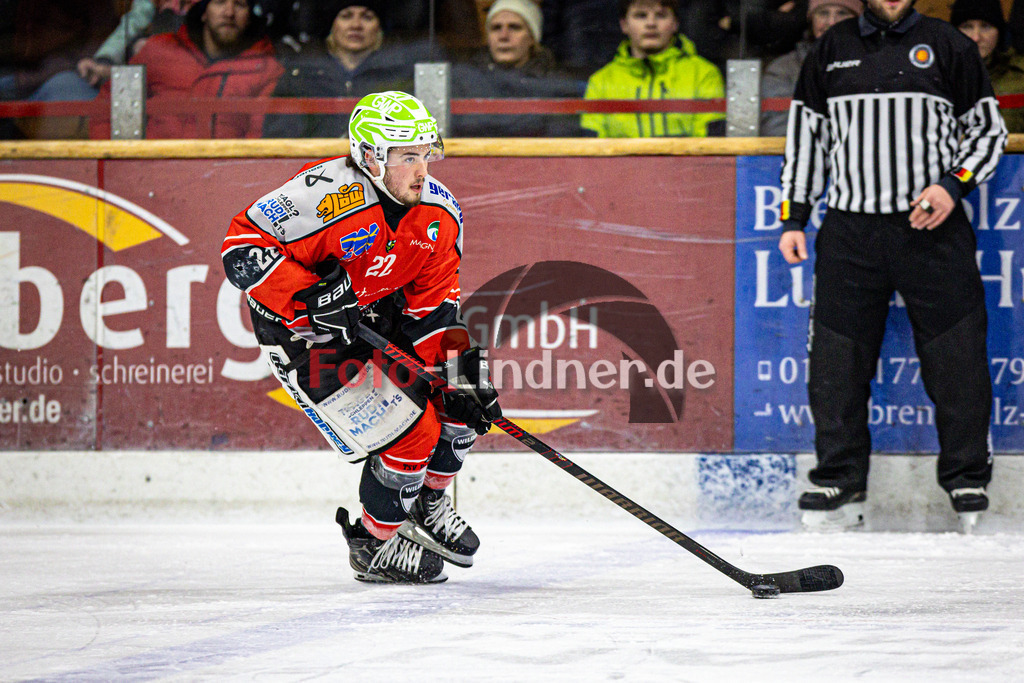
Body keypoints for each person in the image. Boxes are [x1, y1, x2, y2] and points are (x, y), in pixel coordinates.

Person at [222, 91, 501, 583]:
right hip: (303, 336)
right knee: (414, 432)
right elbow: (240, 249)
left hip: (375, 313)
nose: (422, 170)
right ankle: (373, 544)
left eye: (425, 155)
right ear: (371, 155)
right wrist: (308, 296)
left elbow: (434, 308)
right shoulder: (322, 195)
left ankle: (424, 506)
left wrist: (461, 370)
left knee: (458, 403)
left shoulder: (439, 214)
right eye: (408, 157)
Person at [778, 0, 1007, 533]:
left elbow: (988, 132)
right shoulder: (832, 48)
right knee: (835, 365)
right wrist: (794, 217)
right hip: (850, 230)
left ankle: (966, 477)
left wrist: (953, 185)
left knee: (957, 360)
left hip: (932, 229)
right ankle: (840, 477)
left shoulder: (949, 44)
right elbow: (806, 138)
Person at [89, 0, 284, 139]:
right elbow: (109, 108)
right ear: (204, 12)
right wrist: (119, 166)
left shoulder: (266, 68)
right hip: (150, 178)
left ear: (250, 17)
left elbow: (259, 140)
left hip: (223, 180)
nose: (229, 12)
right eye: (219, 2)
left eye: (240, 4)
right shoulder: (160, 50)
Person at [262, 1, 423, 138]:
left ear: (379, 27)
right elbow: (279, 138)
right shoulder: (300, 76)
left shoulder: (400, 76)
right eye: (346, 16)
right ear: (332, 25)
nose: (356, 25)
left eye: (367, 17)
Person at [581, 0, 725, 138]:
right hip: (620, 165)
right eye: (641, 15)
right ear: (624, 24)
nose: (651, 23)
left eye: (661, 15)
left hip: (687, 164)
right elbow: (593, 150)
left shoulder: (704, 73)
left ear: (675, 23)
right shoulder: (601, 81)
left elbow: (710, 146)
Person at [451, 0, 583, 137]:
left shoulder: (557, 84)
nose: (503, 36)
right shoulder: (461, 79)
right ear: (488, 37)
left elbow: (562, 140)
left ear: (532, 38)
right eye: (496, 28)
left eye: (514, 27)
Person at [760, 0, 861, 136]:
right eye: (823, 13)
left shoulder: (873, 66)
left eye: (842, 13)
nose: (831, 22)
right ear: (811, 18)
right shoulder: (784, 69)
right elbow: (776, 129)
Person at [951, 0, 1024, 133]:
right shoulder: (938, 80)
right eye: (967, 27)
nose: (976, 37)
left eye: (986, 26)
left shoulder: (1020, 79)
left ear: (999, 32)